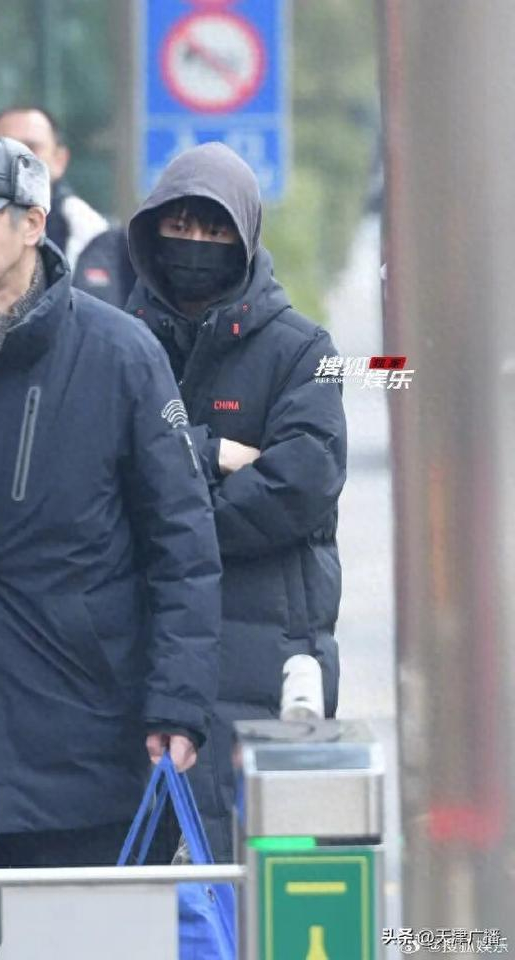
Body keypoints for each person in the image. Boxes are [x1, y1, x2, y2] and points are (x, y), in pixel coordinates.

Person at [0, 134, 221, 959]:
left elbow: (181, 541)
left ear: (33, 223)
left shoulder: (120, 353)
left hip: (78, 707)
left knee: (79, 938)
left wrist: (176, 702)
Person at [126, 142, 347, 862]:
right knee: (133, 886)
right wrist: (212, 451)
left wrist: (165, 520)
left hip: (268, 660)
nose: (195, 244)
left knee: (255, 873)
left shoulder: (304, 351)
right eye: (180, 226)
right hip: (137, 660)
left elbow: (299, 484)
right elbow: (98, 466)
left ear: (246, 237)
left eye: (215, 230)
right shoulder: (117, 342)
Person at [0, 107, 134, 309]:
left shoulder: (109, 243)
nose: (18, 159)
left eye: (31, 148)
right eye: (6, 149)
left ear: (60, 160)